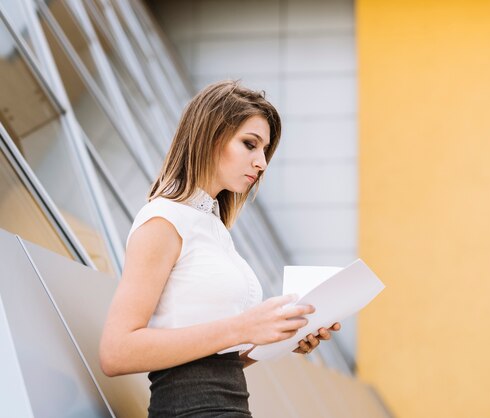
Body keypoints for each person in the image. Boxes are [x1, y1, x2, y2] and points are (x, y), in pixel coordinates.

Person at [99, 80, 341, 417]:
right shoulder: (163, 220)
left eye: (264, 150)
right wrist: (243, 327)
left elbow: (215, 362)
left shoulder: (214, 228)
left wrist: (281, 338)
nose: (262, 163)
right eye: (249, 144)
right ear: (210, 137)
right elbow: (116, 351)